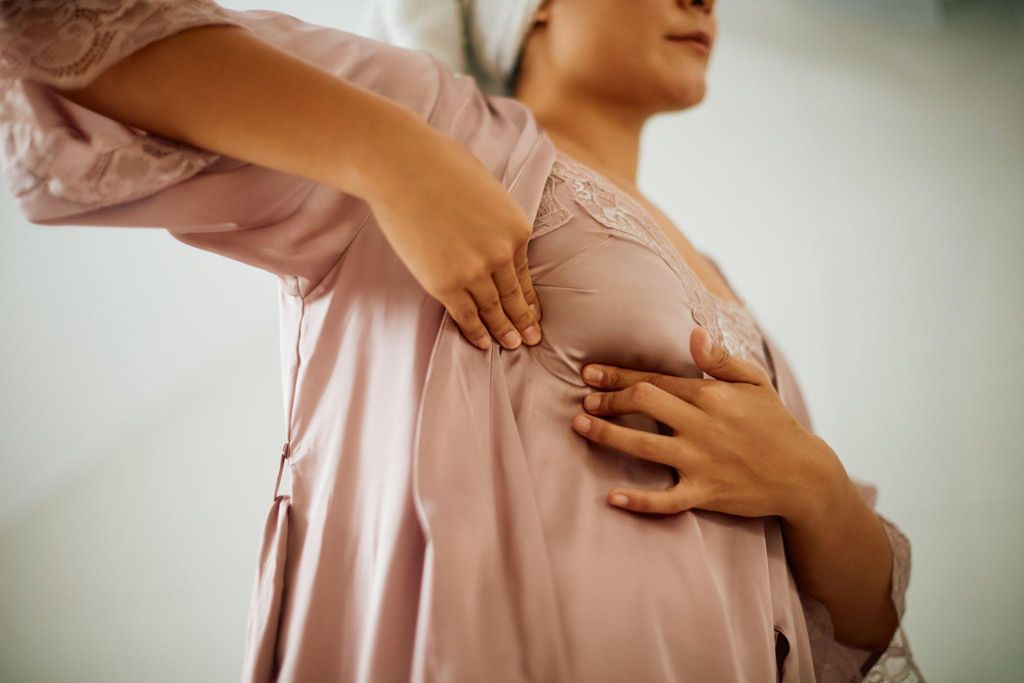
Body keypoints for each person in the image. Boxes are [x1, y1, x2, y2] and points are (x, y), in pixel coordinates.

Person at [0, 1, 923, 681]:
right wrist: (386, 153)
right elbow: (57, 29)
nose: (703, 0)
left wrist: (812, 485)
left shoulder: (741, 305)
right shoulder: (447, 129)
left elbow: (854, 627)